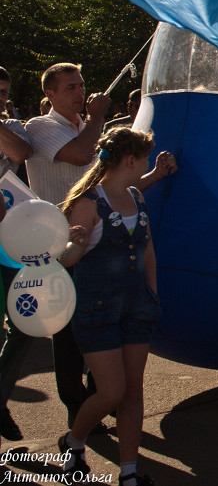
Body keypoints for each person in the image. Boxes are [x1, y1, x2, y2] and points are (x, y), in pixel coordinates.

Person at [23, 63, 174, 432]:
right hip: (64, 242)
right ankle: (77, 409)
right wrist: (98, 118)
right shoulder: (39, 127)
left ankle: (102, 397)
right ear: (51, 95)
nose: (80, 92)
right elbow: (78, 155)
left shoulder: (90, 128)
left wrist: (154, 173)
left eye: (82, 84)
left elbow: (117, 188)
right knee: (70, 336)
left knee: (105, 330)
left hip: (102, 246)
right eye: (70, 87)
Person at [56, 128, 177, 485]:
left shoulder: (137, 196)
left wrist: (152, 293)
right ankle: (74, 441)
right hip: (97, 308)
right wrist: (74, 245)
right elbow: (66, 259)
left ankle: (128, 472)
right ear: (130, 160)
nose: (145, 165)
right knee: (111, 392)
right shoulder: (88, 202)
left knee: (133, 390)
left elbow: (147, 249)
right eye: (143, 160)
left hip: (137, 307)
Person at [0, 68, 30, 441]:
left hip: (12, 241)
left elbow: (19, 153)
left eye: (4, 91)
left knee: (24, 324)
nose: (1, 98)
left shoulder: (15, 128)